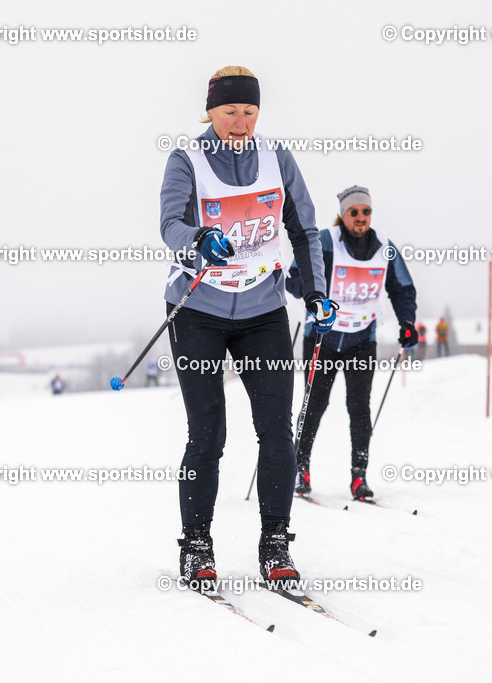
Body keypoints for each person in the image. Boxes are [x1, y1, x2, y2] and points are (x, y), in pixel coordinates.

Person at [160, 66, 334, 589]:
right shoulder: (186, 160)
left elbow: (304, 229)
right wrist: (199, 239)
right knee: (208, 433)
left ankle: (275, 543)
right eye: (230, 111)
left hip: (263, 312)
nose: (240, 122)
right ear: (210, 112)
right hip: (199, 313)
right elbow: (170, 224)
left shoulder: (277, 159)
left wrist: (317, 291)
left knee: (277, 432)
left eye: (249, 112)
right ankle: (196, 546)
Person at [287, 186, 417, 501]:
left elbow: (402, 288)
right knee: (314, 404)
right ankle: (299, 469)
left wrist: (407, 322)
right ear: (344, 215)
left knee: (359, 408)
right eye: (354, 212)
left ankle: (359, 477)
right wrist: (311, 293)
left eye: (366, 212)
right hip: (323, 338)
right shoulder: (325, 242)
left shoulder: (385, 246)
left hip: (362, 338)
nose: (361, 217)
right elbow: (293, 279)